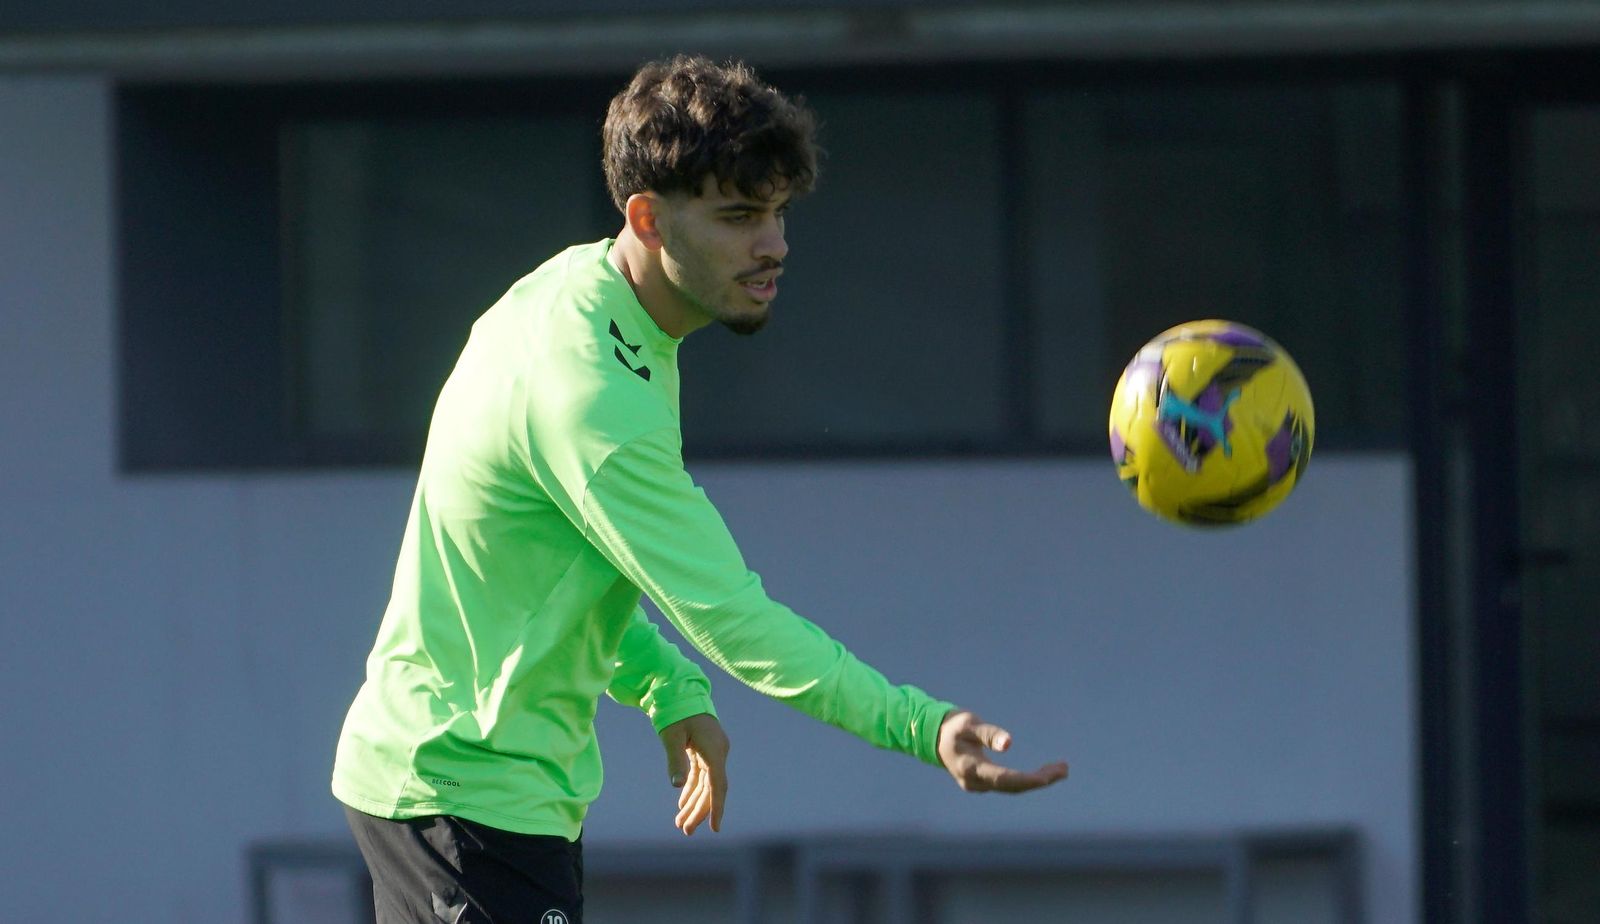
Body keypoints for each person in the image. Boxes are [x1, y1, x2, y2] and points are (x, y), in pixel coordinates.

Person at [332, 54, 1068, 924]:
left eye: (780, 212)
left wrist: (664, 689)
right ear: (647, 217)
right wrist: (920, 725)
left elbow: (563, 570)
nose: (775, 245)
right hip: (464, 798)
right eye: (740, 217)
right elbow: (733, 620)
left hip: (474, 790)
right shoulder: (593, 395)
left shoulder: (580, 291)